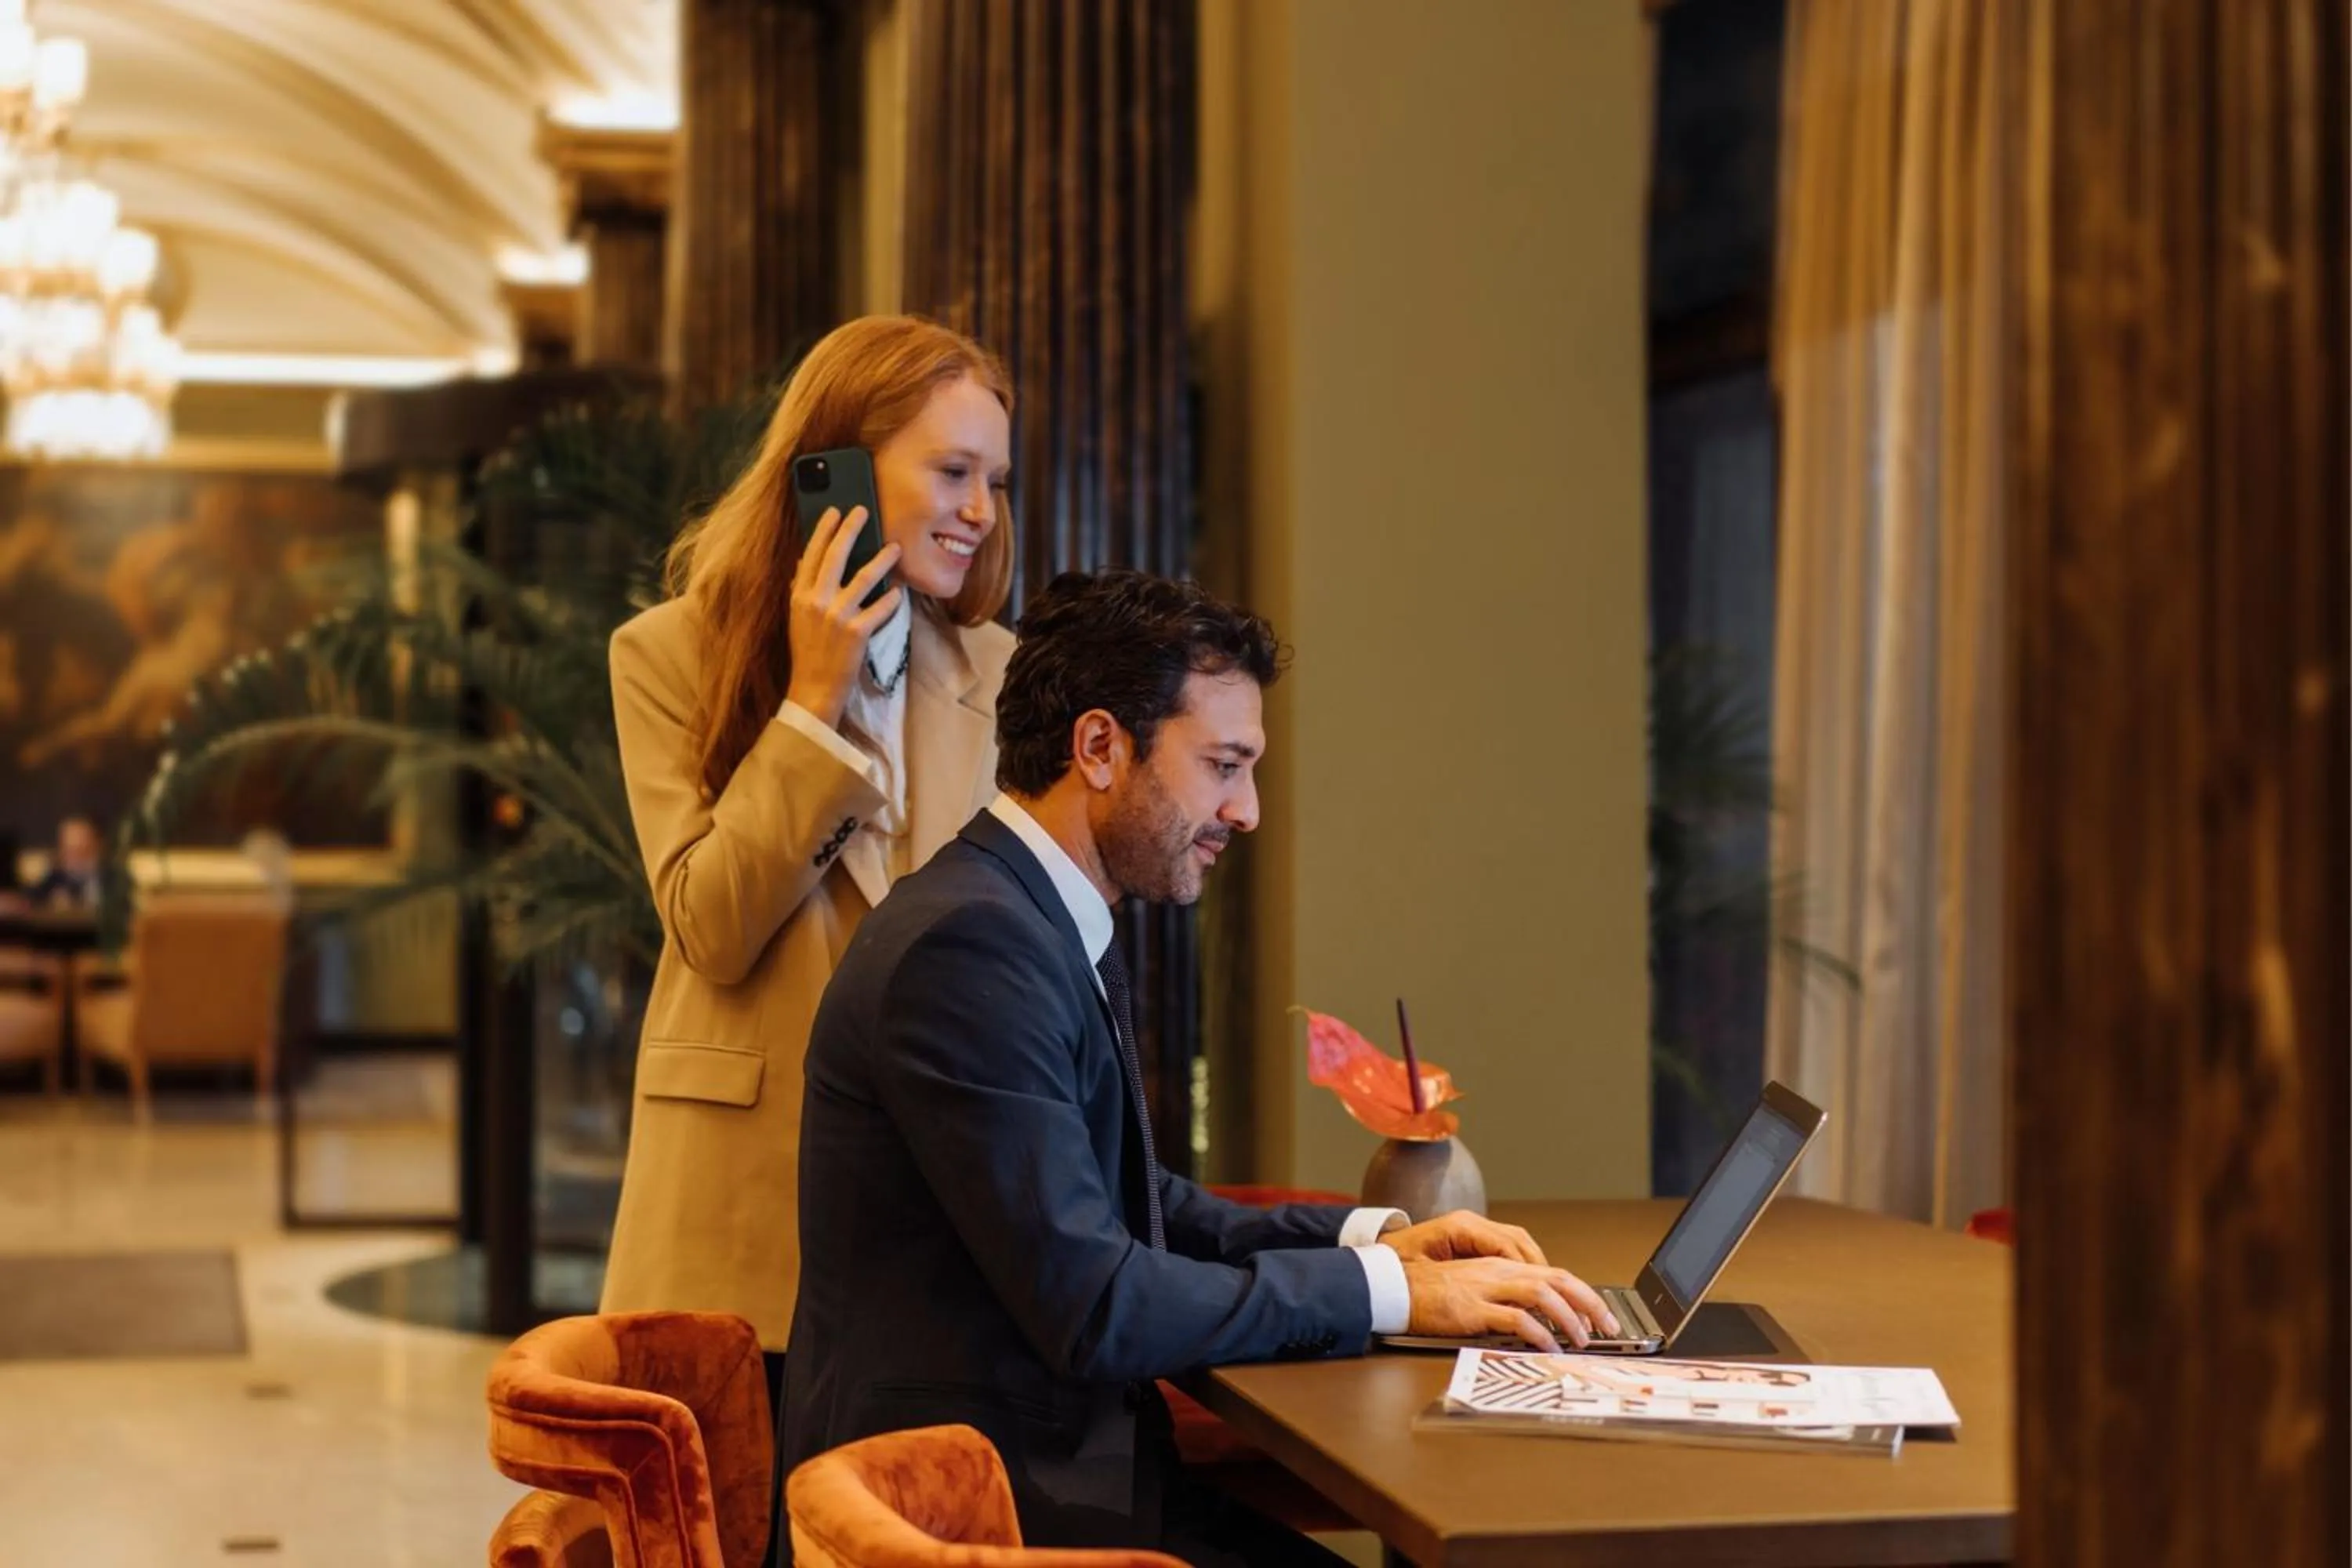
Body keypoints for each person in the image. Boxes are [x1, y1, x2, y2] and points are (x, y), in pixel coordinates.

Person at [782, 571, 1617, 1564]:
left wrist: (1387, 1240)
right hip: (979, 1517)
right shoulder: (970, 948)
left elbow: (1134, 1200)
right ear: (1100, 747)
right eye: (1224, 764)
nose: (1248, 809)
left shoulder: (1022, 911)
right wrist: (1384, 1293)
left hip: (1053, 1475)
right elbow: (1096, 1304)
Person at [600, 316, 1019, 1399]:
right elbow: (712, 925)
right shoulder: (663, 658)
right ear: (837, 471)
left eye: (996, 480)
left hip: (942, 1212)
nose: (982, 511)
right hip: (739, 1214)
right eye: (954, 471)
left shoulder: (1004, 674)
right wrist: (813, 702)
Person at [27, 817, 103, 909]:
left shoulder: (113, 881)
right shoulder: (53, 882)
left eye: (84, 851)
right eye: (70, 851)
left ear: (97, 846)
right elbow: (29, 900)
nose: (77, 860)